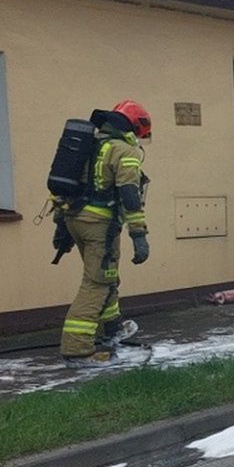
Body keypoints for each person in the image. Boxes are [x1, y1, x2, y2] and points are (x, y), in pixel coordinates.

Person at [58, 100, 151, 368]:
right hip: (100, 226)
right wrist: (139, 235)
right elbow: (130, 196)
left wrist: (60, 227)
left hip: (76, 220)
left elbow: (67, 184)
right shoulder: (124, 150)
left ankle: (112, 329)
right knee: (96, 283)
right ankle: (77, 350)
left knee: (106, 275)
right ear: (133, 127)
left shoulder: (89, 144)